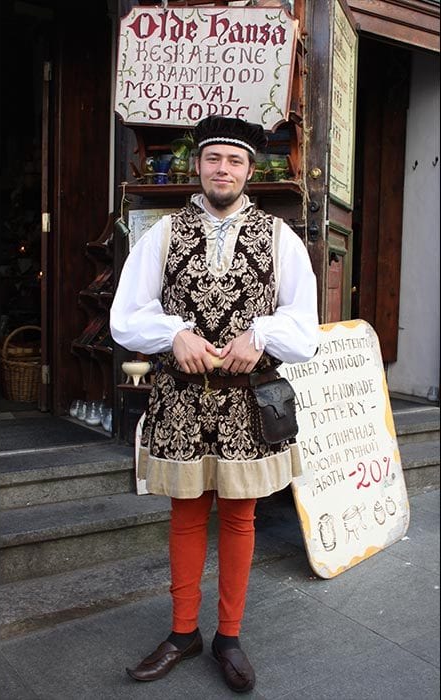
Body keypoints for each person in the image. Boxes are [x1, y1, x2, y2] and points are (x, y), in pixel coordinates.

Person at [110, 116, 319, 693]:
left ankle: (228, 634)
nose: (221, 170)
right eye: (212, 160)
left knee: (239, 517)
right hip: (180, 396)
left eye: (233, 161)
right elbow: (126, 315)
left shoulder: (281, 238)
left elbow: (305, 325)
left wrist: (265, 334)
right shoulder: (163, 234)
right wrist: (174, 333)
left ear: (249, 171)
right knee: (184, 514)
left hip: (247, 402)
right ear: (197, 166)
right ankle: (183, 632)